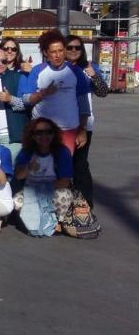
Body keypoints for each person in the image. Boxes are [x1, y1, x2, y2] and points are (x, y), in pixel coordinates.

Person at [19, 30, 91, 154]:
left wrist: (82, 129)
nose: (58, 55)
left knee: (64, 164)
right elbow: (25, 99)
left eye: (61, 50)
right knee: (42, 164)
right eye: (53, 52)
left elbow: (83, 103)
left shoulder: (75, 71)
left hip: (68, 129)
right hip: (42, 131)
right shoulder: (37, 71)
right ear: (45, 53)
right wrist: (43, 93)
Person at [64, 35, 108, 207]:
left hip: (84, 124)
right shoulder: (59, 67)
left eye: (77, 47)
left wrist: (94, 75)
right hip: (62, 124)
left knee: (80, 164)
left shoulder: (89, 67)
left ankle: (85, 204)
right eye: (69, 47)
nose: (74, 50)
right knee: (62, 163)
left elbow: (103, 92)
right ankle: (64, 202)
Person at [14, 118, 74, 237]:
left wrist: (43, 188)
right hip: (31, 191)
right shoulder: (26, 152)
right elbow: (19, 176)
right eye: (39, 133)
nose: (44, 136)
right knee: (16, 201)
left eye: (48, 132)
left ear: (54, 134)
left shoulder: (62, 152)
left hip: (52, 190)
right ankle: (34, 221)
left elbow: (65, 182)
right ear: (32, 136)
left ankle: (57, 222)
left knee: (64, 195)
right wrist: (28, 168)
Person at [0, 47, 28, 162]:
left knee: (11, 169)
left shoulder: (18, 77)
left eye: (4, 61)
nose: (0, 64)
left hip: (11, 136)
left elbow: (27, 105)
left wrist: (10, 99)